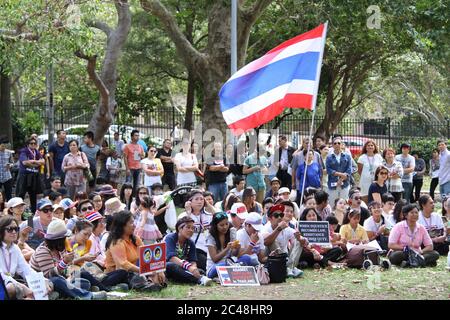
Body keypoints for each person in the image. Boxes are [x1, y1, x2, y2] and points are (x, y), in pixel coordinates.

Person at [30, 219, 108, 300]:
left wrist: (68, 275)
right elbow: (49, 275)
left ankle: (69, 293)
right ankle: (88, 295)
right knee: (57, 281)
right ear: (58, 240)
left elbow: (66, 270)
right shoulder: (43, 251)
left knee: (82, 278)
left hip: (63, 280)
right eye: (65, 238)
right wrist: (64, 262)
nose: (66, 239)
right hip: (44, 284)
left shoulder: (59, 249)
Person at [105, 210, 164, 291]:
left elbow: (147, 255)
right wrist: (144, 271)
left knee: (165, 267)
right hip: (117, 273)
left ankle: (150, 282)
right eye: (131, 223)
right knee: (127, 273)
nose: (134, 225)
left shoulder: (134, 238)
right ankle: (146, 284)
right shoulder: (116, 242)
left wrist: (158, 270)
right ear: (122, 225)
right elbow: (123, 264)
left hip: (133, 271)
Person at [0, 216, 44, 300]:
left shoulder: (15, 248)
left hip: (13, 281)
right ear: (1, 231)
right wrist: (22, 287)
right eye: (10, 229)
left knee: (48, 284)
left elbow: (26, 269)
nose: (14, 232)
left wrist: (42, 280)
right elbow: (1, 276)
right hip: (4, 284)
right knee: (10, 288)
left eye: (16, 229)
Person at [164, 216, 213, 286]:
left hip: (182, 267)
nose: (191, 230)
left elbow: (193, 261)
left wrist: (194, 269)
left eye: (193, 228)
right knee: (170, 266)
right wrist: (189, 267)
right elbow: (172, 258)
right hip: (167, 266)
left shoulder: (191, 243)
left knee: (200, 271)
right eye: (188, 227)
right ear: (179, 228)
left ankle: (194, 277)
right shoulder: (170, 238)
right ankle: (199, 280)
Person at [262, 204, 304, 277]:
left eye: (281, 215)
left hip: (285, 258)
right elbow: (266, 242)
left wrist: (300, 238)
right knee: (272, 241)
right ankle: (289, 268)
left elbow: (304, 241)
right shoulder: (266, 227)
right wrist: (278, 229)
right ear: (269, 218)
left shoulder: (286, 228)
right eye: (276, 215)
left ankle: (290, 267)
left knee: (298, 241)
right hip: (270, 259)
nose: (279, 217)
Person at [206, 212, 250, 279]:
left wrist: (237, 248)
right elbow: (214, 259)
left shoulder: (231, 231)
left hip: (229, 263)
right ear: (215, 225)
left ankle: (233, 270)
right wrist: (227, 249)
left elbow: (234, 254)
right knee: (225, 264)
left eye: (227, 224)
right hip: (214, 267)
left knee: (246, 258)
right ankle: (235, 270)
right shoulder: (210, 237)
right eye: (221, 225)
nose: (225, 227)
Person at [177, 189, 213, 272]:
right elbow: (182, 233)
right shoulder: (184, 216)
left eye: (201, 199)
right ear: (189, 202)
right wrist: (188, 212)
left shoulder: (208, 215)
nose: (199, 202)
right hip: (194, 249)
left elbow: (220, 218)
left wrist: (208, 205)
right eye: (196, 199)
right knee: (205, 263)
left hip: (208, 249)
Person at [16, 138, 44, 213]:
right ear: (28, 144)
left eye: (35, 143)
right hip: (24, 175)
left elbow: (43, 161)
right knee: (21, 194)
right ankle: (18, 212)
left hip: (34, 175)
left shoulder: (36, 151)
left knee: (33, 195)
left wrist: (32, 161)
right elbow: (25, 162)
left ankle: (33, 212)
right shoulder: (24, 151)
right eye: (31, 143)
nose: (33, 145)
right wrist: (36, 162)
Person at [326, 136, 352, 207]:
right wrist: (339, 174)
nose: (337, 144)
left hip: (345, 184)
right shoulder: (329, 157)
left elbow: (349, 169)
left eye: (339, 143)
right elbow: (328, 170)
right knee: (332, 203)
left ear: (341, 144)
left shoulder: (347, 156)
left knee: (345, 203)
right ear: (332, 145)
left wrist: (341, 179)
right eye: (335, 143)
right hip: (332, 184)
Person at [123, 130, 145, 196]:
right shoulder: (127, 146)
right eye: (136, 135)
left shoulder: (140, 146)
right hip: (130, 168)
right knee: (128, 185)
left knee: (137, 185)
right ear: (132, 137)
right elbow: (125, 157)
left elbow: (143, 156)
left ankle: (135, 198)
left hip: (138, 168)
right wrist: (127, 168)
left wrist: (141, 156)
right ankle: (126, 198)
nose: (137, 137)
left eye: (138, 135)